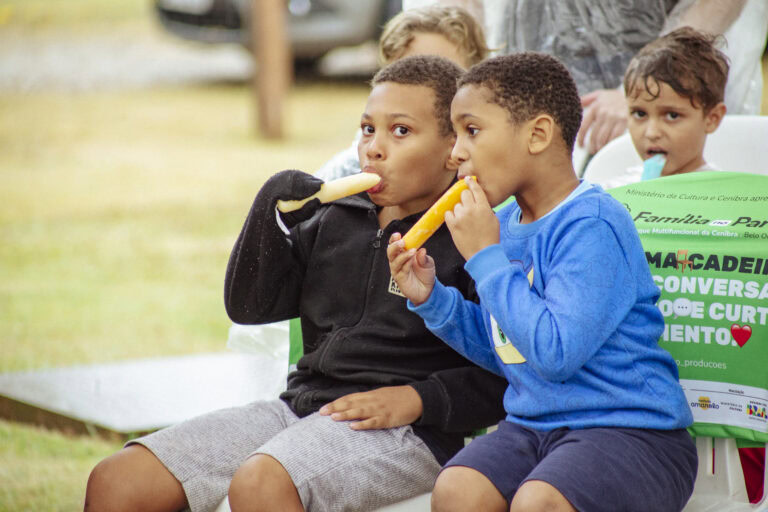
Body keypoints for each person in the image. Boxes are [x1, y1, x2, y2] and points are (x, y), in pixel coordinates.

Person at [84, 55, 507, 512]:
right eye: (368, 129)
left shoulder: (473, 234)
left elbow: (505, 376)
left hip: (408, 433)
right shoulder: (335, 218)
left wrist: (417, 399)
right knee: (117, 479)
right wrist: (268, 214)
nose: (374, 149)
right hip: (299, 409)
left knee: (262, 483)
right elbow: (249, 306)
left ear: (452, 148)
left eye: (400, 131)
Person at [387, 53, 697, 512]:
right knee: (457, 490)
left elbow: (555, 353)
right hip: (535, 428)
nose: (455, 153)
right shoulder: (506, 222)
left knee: (539, 501)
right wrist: (434, 300)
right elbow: (511, 347)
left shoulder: (591, 223)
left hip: (633, 432)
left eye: (471, 130)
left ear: (537, 134)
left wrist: (487, 258)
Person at [315, 4, 488, 181]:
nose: (433, 85)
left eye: (447, 72)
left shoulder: (495, 174)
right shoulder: (353, 169)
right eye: (412, 74)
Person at [600, 26, 728, 189]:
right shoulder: (614, 193)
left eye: (672, 116)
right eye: (640, 114)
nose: (652, 133)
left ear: (712, 118)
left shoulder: (725, 201)